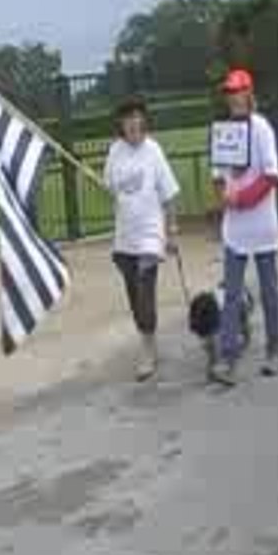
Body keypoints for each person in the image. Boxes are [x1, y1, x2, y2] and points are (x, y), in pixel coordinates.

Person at [210, 69, 278, 385]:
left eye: (239, 92)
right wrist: (221, 193)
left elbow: (271, 175)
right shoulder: (223, 130)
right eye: (229, 93)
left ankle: (274, 348)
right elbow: (218, 174)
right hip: (235, 230)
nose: (234, 98)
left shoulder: (262, 128)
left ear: (249, 94)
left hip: (262, 225)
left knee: (269, 292)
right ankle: (227, 355)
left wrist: (242, 198)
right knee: (231, 293)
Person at [104, 97, 181, 381]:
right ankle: (149, 336)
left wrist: (171, 229)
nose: (134, 123)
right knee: (134, 296)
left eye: (138, 117)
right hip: (124, 237)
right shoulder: (115, 152)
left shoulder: (153, 151)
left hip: (150, 235)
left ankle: (147, 351)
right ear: (121, 125)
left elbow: (168, 192)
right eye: (128, 119)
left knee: (144, 290)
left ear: (144, 121)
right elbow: (111, 187)